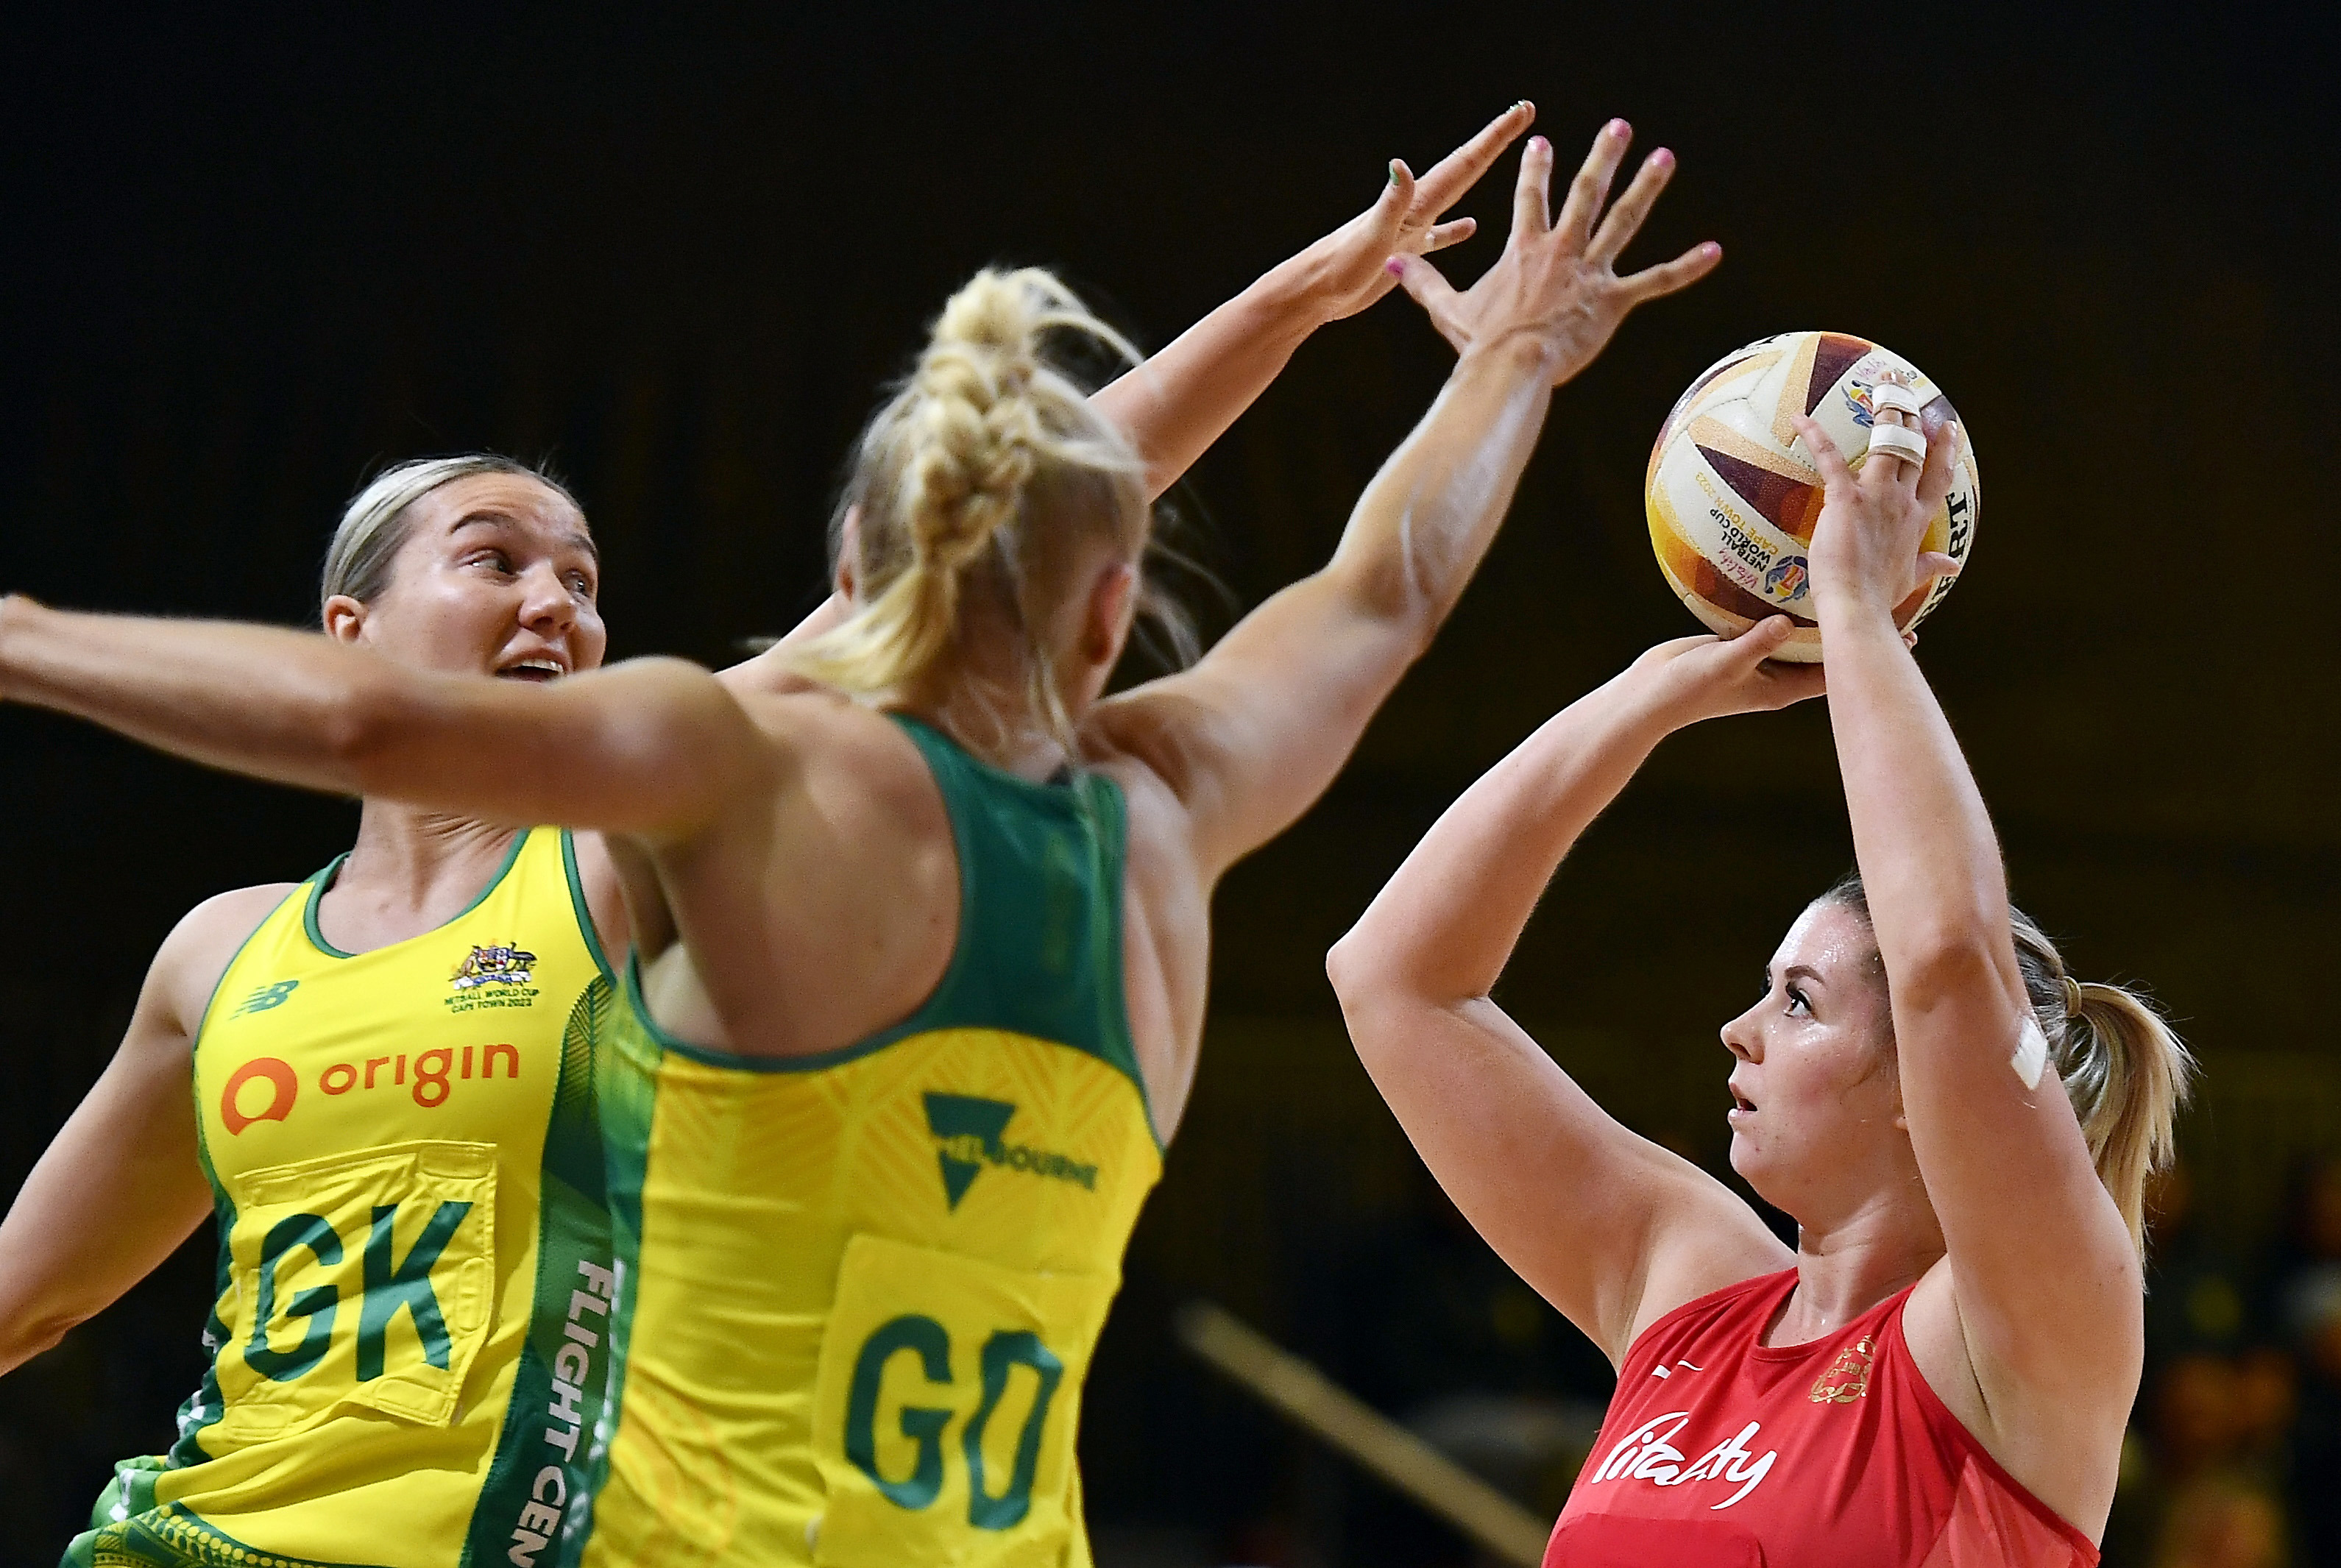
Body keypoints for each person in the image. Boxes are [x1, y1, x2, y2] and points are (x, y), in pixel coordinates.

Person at [0, 110, 1717, 1565]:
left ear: (846, 584)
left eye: (582, 577)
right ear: (348, 620)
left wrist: (26, 637)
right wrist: (1503, 354)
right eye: (496, 559)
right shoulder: (225, 952)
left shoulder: (678, 817)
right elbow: (1329, 579)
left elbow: (1002, 521)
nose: (554, 600)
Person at [1327, 398, 2194, 1562]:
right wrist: (1646, 699)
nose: (1737, 1031)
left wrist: (1856, 615)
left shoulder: (2026, 1327)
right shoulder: (1685, 1279)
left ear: (1920, 1084)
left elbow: (1946, 960)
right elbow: (1393, 981)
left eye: (1797, 1001)